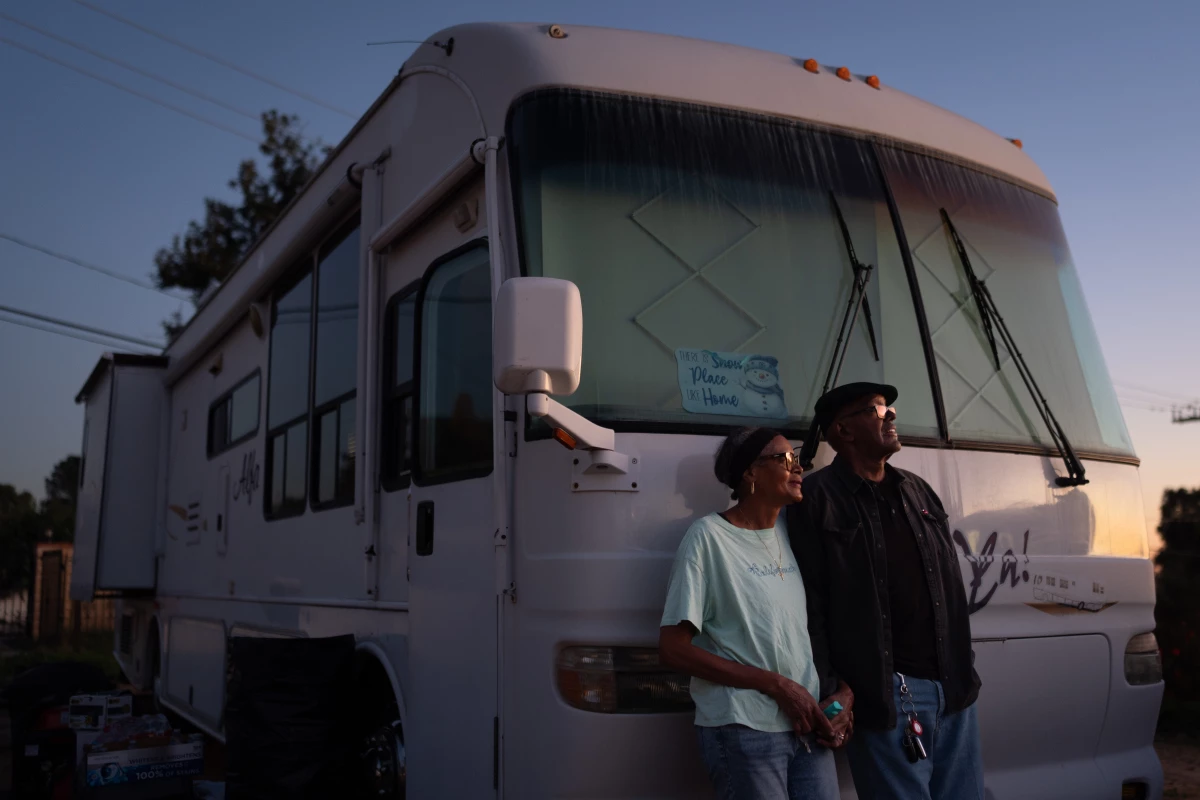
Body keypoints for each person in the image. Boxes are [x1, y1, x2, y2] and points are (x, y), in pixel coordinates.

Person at [787, 382, 984, 800]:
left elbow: (949, 585)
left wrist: (964, 666)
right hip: (884, 696)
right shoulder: (816, 499)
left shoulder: (918, 490)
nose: (890, 415)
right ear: (843, 431)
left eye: (889, 407)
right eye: (875, 410)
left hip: (954, 689)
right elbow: (809, 606)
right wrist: (832, 689)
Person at [659, 426, 854, 800]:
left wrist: (844, 691)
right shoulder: (708, 538)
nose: (798, 469)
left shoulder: (794, 533)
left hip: (808, 724)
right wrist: (776, 685)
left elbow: (820, 625)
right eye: (785, 459)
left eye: (798, 460)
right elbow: (673, 648)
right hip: (744, 729)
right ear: (750, 473)